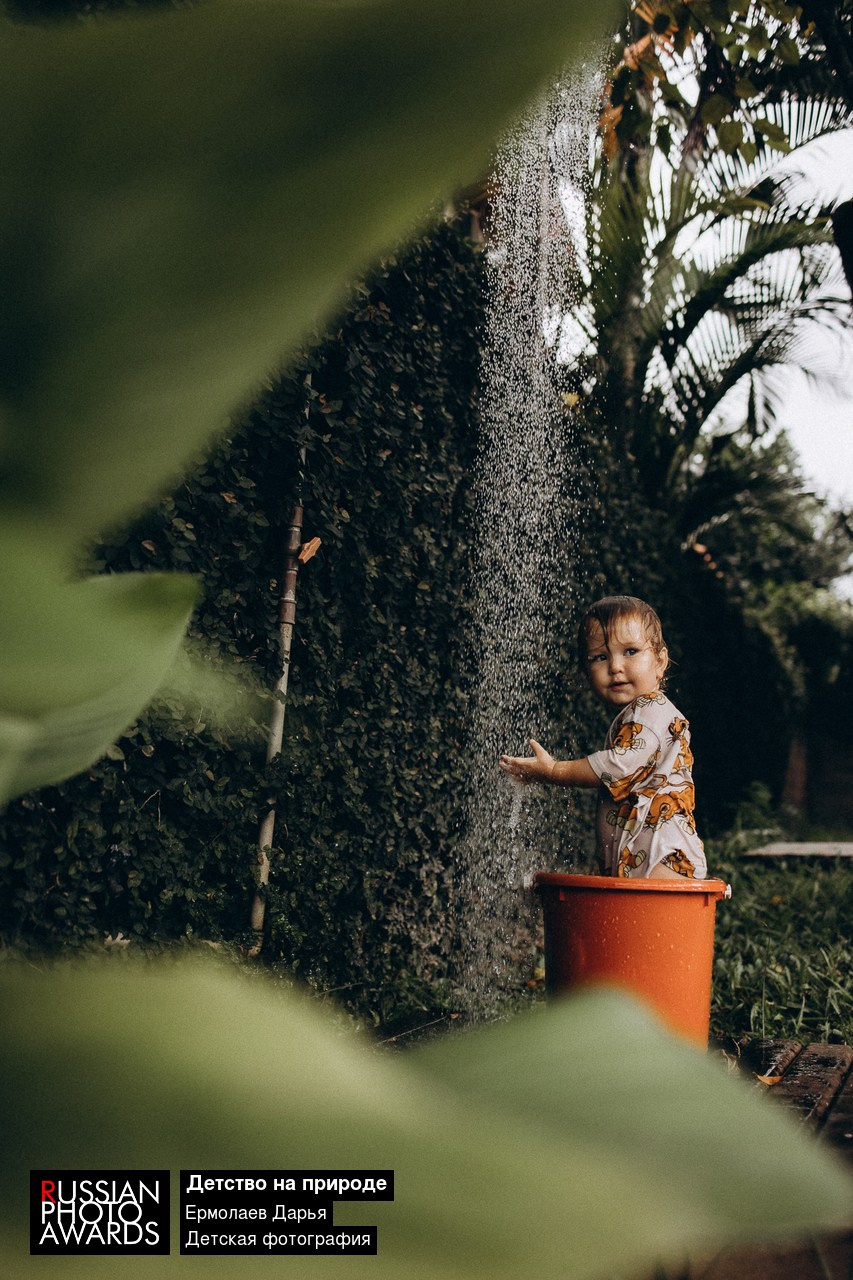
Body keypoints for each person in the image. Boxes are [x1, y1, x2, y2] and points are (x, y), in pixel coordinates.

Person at [499, 594, 707, 880]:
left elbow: (618, 767)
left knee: (655, 921)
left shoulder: (653, 711)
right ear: (586, 672)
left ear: (660, 661)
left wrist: (553, 771)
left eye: (631, 651)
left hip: (662, 856)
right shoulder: (636, 714)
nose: (615, 666)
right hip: (641, 855)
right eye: (600, 657)